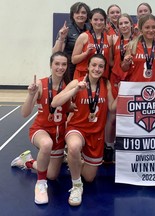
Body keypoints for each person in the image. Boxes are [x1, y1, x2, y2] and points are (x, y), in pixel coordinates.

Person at [51, 53, 116, 206]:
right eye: (94, 65)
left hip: (96, 134)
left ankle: (73, 160)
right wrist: (75, 91)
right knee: (74, 146)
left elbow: (112, 108)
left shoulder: (106, 84)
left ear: (104, 69)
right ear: (87, 66)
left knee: (89, 177)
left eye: (101, 66)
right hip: (77, 128)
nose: (97, 69)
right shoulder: (76, 82)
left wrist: (128, 89)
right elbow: (54, 102)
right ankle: (76, 186)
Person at [11, 51, 71, 204]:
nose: (60, 67)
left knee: (52, 175)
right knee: (46, 144)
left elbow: (69, 108)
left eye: (64, 64)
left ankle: (27, 161)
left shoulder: (69, 86)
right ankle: (40, 184)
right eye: (57, 64)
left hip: (59, 134)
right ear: (51, 65)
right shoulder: (41, 84)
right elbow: (25, 113)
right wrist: (31, 95)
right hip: (41, 130)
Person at [104, 13, 134, 163]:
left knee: (129, 117)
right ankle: (109, 146)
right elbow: (110, 61)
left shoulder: (138, 40)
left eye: (126, 23)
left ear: (131, 24)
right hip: (116, 79)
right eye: (121, 23)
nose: (123, 25)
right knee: (113, 115)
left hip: (130, 81)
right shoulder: (114, 39)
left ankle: (126, 148)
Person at [121, 14, 155, 82]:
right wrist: (126, 63)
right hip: (136, 88)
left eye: (154, 27)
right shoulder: (132, 45)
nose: (151, 30)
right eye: (147, 27)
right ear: (141, 29)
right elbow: (124, 69)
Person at [52, 2, 91, 80]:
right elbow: (55, 53)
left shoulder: (90, 28)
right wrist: (61, 38)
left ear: (87, 15)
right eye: (77, 12)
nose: (80, 15)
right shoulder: (66, 30)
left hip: (86, 67)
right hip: (70, 68)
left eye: (83, 13)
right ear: (72, 15)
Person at [72, 8, 112, 80]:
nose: (98, 22)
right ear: (90, 20)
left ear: (105, 21)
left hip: (101, 77)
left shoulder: (109, 38)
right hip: (83, 76)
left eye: (101, 20)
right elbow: (74, 60)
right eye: (95, 19)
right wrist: (85, 53)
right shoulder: (84, 36)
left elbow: (110, 62)